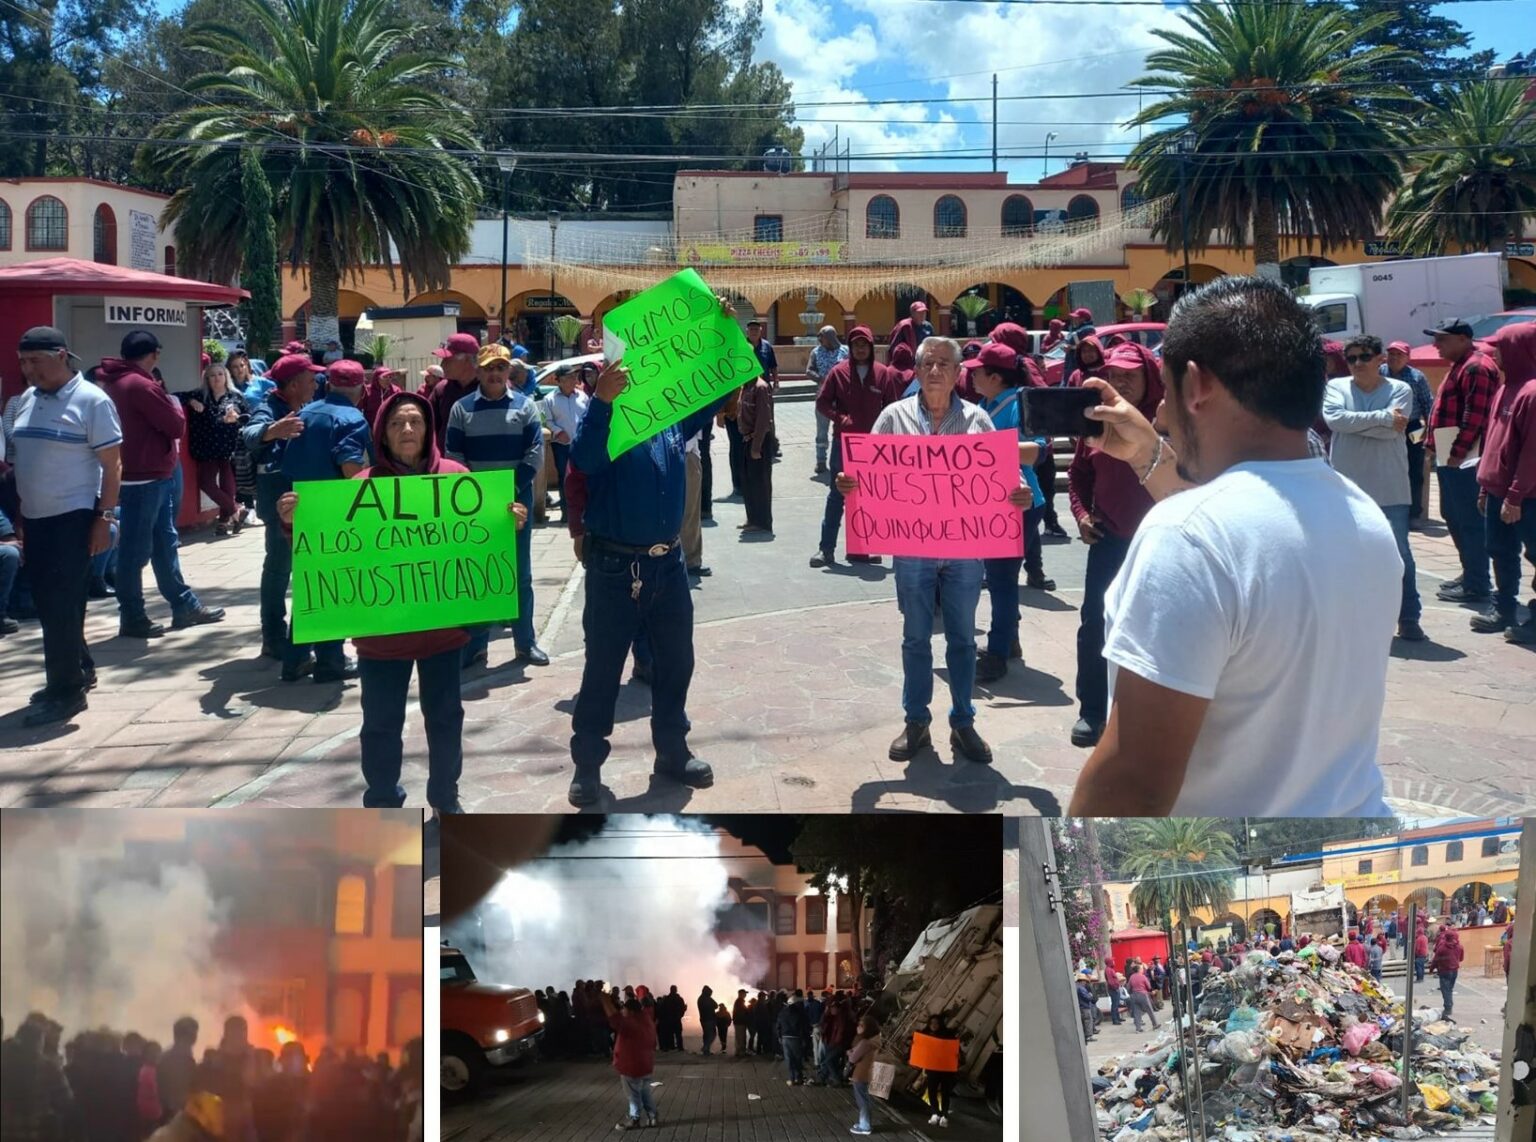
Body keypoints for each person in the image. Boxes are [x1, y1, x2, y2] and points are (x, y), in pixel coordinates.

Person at [1067, 277, 1402, 816]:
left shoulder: (1184, 536)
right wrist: (1147, 456)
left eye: (1165, 387)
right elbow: (1243, 535)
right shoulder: (1362, 515)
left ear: (1196, 385)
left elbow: (1133, 780)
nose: (1159, 414)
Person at [278, 391, 523, 810]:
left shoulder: (456, 478)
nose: (406, 430)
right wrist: (292, 522)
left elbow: (480, 544)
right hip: (381, 640)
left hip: (443, 635)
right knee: (380, 725)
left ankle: (446, 796)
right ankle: (382, 800)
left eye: (414, 422)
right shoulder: (359, 488)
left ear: (428, 429)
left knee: (446, 721)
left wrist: (508, 524)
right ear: (382, 435)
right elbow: (328, 547)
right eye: (396, 424)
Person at [840, 337, 1033, 766]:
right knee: (915, 639)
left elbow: (1007, 478)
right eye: (928, 362)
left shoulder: (978, 421)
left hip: (965, 551)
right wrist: (849, 484)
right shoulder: (893, 417)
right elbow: (867, 471)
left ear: (959, 372)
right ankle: (916, 721)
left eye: (944, 363)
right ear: (917, 369)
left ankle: (963, 721)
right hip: (912, 549)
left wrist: (1017, 493)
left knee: (964, 640)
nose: (934, 371)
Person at [565, 356, 725, 806]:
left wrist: (719, 331)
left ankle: (673, 752)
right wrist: (602, 402)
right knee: (602, 669)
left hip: (668, 566)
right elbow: (584, 459)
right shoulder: (606, 420)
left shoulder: (670, 417)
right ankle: (588, 764)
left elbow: (715, 388)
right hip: (614, 568)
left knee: (675, 664)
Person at [10, 328, 123, 725]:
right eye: (23, 361)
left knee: (60, 603)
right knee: (53, 602)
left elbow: (113, 466)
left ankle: (66, 692)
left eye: (35, 361)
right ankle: (79, 667)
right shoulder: (27, 399)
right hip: (37, 518)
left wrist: (103, 518)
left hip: (74, 517)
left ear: (61, 356)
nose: (27, 369)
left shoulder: (92, 401)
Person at [1066, 341, 1164, 749]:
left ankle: (1149, 710)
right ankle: (1091, 711)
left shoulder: (1168, 422)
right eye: (1114, 374)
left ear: (1149, 377)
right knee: (1095, 625)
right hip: (1109, 539)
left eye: (1130, 374)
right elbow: (1078, 476)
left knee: (1155, 627)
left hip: (1160, 543)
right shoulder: (1098, 425)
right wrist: (1083, 516)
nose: (1120, 381)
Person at [96, 330, 225, 639]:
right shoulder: (141, 385)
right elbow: (175, 424)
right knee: (136, 551)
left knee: (162, 544)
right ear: (153, 354)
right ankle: (133, 615)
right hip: (146, 477)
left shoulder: (115, 383)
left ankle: (183, 604)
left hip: (142, 474)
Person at [444, 342, 547, 669]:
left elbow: (534, 454)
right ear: (478, 370)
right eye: (488, 367)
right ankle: (475, 645)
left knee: (520, 574)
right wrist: (479, 496)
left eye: (500, 368)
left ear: (508, 371)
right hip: (474, 505)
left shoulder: (526, 406)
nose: (494, 373)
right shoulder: (461, 409)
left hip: (516, 501)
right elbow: (454, 458)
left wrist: (508, 492)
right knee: (478, 573)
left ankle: (525, 643)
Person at [272, 356, 372, 683]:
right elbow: (350, 465)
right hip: (335, 512)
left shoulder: (305, 412)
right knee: (333, 584)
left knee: (309, 584)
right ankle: (330, 661)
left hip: (300, 509)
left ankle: (296, 658)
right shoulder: (353, 417)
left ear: (328, 384)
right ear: (360, 389)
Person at [1323, 334, 1424, 641]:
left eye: (1364, 357)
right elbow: (1334, 421)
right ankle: (1350, 616)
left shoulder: (1401, 389)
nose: (1356, 364)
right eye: (1351, 358)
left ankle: (1409, 617)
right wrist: (1381, 419)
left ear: (1380, 359)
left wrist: (1359, 424)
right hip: (1345, 489)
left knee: (1398, 555)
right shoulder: (1336, 387)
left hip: (1389, 486)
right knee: (1345, 555)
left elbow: (1392, 432)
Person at [966, 344, 1051, 681]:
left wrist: (988, 452)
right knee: (1000, 577)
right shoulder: (985, 404)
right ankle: (1009, 640)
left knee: (1001, 579)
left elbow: (1039, 451)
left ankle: (998, 652)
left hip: (1021, 503)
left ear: (996, 377)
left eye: (978, 371)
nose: (971, 375)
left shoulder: (1018, 404)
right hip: (994, 504)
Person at [242, 353, 324, 662]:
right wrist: (272, 430)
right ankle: (273, 636)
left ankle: (300, 635)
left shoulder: (305, 406)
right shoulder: (269, 407)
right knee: (279, 568)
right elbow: (249, 434)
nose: (315, 383)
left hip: (302, 499)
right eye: (309, 378)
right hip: (278, 503)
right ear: (291, 385)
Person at [812, 326, 900, 567]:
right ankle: (826, 549)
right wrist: (840, 418)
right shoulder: (837, 373)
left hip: (874, 446)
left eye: (865, 344)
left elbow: (893, 407)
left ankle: (861, 550)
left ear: (871, 347)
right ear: (850, 348)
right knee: (837, 495)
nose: (860, 348)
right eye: (856, 344)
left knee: (868, 497)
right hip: (844, 443)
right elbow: (822, 402)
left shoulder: (883, 374)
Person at [1427, 318, 1500, 604]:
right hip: (1450, 448)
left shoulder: (1476, 367)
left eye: (1442, 339)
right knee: (1453, 516)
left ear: (1462, 339)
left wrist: (1457, 452)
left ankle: (1478, 583)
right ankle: (1471, 572)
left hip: (1464, 455)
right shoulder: (1461, 364)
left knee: (1468, 520)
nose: (1436, 345)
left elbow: (1476, 416)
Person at [1472, 322, 1536, 642]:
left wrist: (1515, 496)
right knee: (1500, 550)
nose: (1494, 352)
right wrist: (1487, 486)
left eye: (1501, 346)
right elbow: (1493, 441)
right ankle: (1504, 608)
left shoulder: (1533, 391)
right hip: (1499, 490)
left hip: (1527, 497)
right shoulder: (1504, 387)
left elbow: (1532, 453)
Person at [183, 361, 250, 538]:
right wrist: (191, 401)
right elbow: (176, 396)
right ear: (206, 379)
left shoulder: (235, 396)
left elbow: (245, 415)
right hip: (205, 447)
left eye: (220, 374)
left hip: (228, 445)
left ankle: (223, 522)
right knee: (206, 482)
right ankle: (237, 510)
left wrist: (233, 418)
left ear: (226, 377)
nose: (216, 378)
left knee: (227, 484)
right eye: (212, 375)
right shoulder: (200, 395)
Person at [1382, 340, 1433, 522]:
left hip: (1413, 427)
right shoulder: (1380, 373)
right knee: (1386, 468)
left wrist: (1429, 429)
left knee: (1414, 468)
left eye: (1399, 354)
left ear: (1407, 357)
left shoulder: (1416, 377)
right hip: (1385, 426)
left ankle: (1414, 513)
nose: (1394, 358)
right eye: (1391, 354)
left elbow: (1428, 404)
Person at [601, 989, 659, 1130]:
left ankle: (634, 1119)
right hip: (646, 1064)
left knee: (633, 1095)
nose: (622, 1012)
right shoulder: (646, 1020)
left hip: (631, 1066)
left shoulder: (630, 1023)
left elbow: (614, 1019)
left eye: (624, 1010)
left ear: (631, 1011)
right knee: (645, 1092)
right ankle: (652, 1117)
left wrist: (604, 999)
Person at [542, 365, 590, 515]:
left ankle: (585, 510)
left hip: (582, 444)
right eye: (568, 378)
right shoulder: (549, 399)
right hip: (562, 445)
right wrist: (558, 431)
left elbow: (588, 417)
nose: (572, 380)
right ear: (559, 381)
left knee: (585, 476)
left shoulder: (583, 396)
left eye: (573, 377)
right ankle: (566, 512)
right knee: (565, 478)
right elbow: (547, 421)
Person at [427, 333, 482, 451]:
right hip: (450, 466)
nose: (442, 364)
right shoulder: (441, 390)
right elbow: (429, 428)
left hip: (486, 467)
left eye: (447, 359)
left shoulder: (490, 388)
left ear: (467, 359)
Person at [738, 361, 776, 534]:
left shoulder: (760, 388)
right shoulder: (746, 387)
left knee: (760, 482)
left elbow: (763, 419)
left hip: (757, 440)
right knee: (748, 481)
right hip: (746, 439)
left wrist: (756, 447)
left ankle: (762, 521)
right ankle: (752, 518)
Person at [806, 325, 847, 475]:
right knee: (822, 430)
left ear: (829, 337)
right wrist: (822, 379)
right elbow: (809, 370)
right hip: (824, 397)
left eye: (821, 336)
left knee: (842, 428)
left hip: (842, 398)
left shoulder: (845, 351)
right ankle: (821, 460)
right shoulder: (816, 352)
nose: (819, 339)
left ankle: (843, 459)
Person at [919, 1013, 960, 1128]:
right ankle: (935, 1113)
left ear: (940, 1024)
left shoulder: (948, 1034)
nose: (933, 1025)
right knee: (932, 1091)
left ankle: (944, 1116)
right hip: (932, 1069)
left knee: (945, 1093)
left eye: (936, 1023)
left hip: (946, 1070)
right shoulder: (926, 1034)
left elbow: (955, 1049)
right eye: (931, 1023)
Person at [846, 1014, 881, 1137]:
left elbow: (853, 1058)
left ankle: (865, 1126)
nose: (858, 1027)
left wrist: (849, 1053)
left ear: (868, 1028)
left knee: (862, 1101)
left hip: (860, 1073)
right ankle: (864, 1123)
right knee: (865, 1099)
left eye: (861, 1025)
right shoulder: (875, 1040)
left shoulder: (865, 1042)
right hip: (868, 1073)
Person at [775, 991, 811, 1086]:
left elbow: (778, 1025)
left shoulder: (783, 1012)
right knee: (798, 1058)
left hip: (785, 1038)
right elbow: (804, 1027)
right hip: (796, 1038)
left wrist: (779, 1036)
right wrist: (805, 1039)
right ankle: (798, 1078)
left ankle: (791, 1079)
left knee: (789, 1059)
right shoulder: (800, 1012)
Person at [1431, 924, 1464, 1019]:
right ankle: (1449, 1004)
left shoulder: (1442, 948)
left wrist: (1432, 968)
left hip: (1444, 970)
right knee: (1449, 988)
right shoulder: (1460, 947)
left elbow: (1436, 959)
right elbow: (1461, 958)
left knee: (1445, 989)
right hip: (1454, 971)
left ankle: (1448, 1007)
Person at [359, 365, 403, 429]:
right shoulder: (367, 391)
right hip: (371, 426)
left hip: (391, 426)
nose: (388, 380)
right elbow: (359, 407)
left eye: (390, 377)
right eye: (385, 377)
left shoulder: (396, 391)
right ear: (377, 378)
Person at [1126, 962, 1158, 1032]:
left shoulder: (1131, 977)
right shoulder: (1143, 976)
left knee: (1137, 1012)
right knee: (1149, 1010)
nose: (1142, 970)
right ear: (1139, 970)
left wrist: (1131, 993)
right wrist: (1150, 991)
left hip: (1134, 995)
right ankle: (1155, 1024)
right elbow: (1148, 986)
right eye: (1141, 968)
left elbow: (1128, 988)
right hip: (1143, 995)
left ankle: (1138, 1028)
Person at [696, 986, 716, 1055]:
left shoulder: (700, 999)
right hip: (709, 1019)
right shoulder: (707, 999)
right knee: (712, 1034)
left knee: (706, 1035)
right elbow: (715, 1005)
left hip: (704, 1019)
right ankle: (705, 1047)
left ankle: (706, 1050)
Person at [732, 991, 750, 1058]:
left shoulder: (739, 1001)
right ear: (741, 994)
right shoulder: (740, 1001)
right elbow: (742, 1012)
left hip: (738, 1022)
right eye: (744, 993)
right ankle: (741, 1052)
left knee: (739, 1037)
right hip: (740, 1022)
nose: (745, 995)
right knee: (741, 1037)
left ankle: (738, 1052)